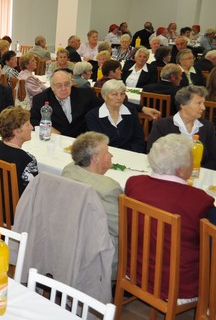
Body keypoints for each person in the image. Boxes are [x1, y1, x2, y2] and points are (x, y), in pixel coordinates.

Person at [126, 134, 215, 300]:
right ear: (180, 170)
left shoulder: (134, 183)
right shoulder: (199, 200)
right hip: (178, 285)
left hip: (135, 271)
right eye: (192, 160)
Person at [61, 132, 122, 279]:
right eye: (107, 152)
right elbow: (121, 228)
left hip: (69, 239)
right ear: (95, 159)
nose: (111, 155)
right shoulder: (109, 188)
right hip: (97, 249)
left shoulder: (68, 170)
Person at [147, 86, 216, 169]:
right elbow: (152, 153)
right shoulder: (162, 125)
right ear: (183, 105)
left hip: (200, 173)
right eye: (199, 103)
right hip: (169, 172)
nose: (203, 108)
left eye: (203, 103)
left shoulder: (207, 127)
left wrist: (197, 171)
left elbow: (213, 158)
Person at [85, 79, 145, 152]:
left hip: (131, 153)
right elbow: (97, 143)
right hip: (106, 153)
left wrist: (133, 152)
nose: (119, 98)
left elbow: (139, 138)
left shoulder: (131, 111)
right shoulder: (92, 116)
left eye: (122, 94)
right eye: (114, 94)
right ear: (104, 96)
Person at [0, 107, 38, 196]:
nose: (32, 127)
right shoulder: (27, 160)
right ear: (16, 131)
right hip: (18, 204)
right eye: (27, 125)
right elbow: (33, 195)